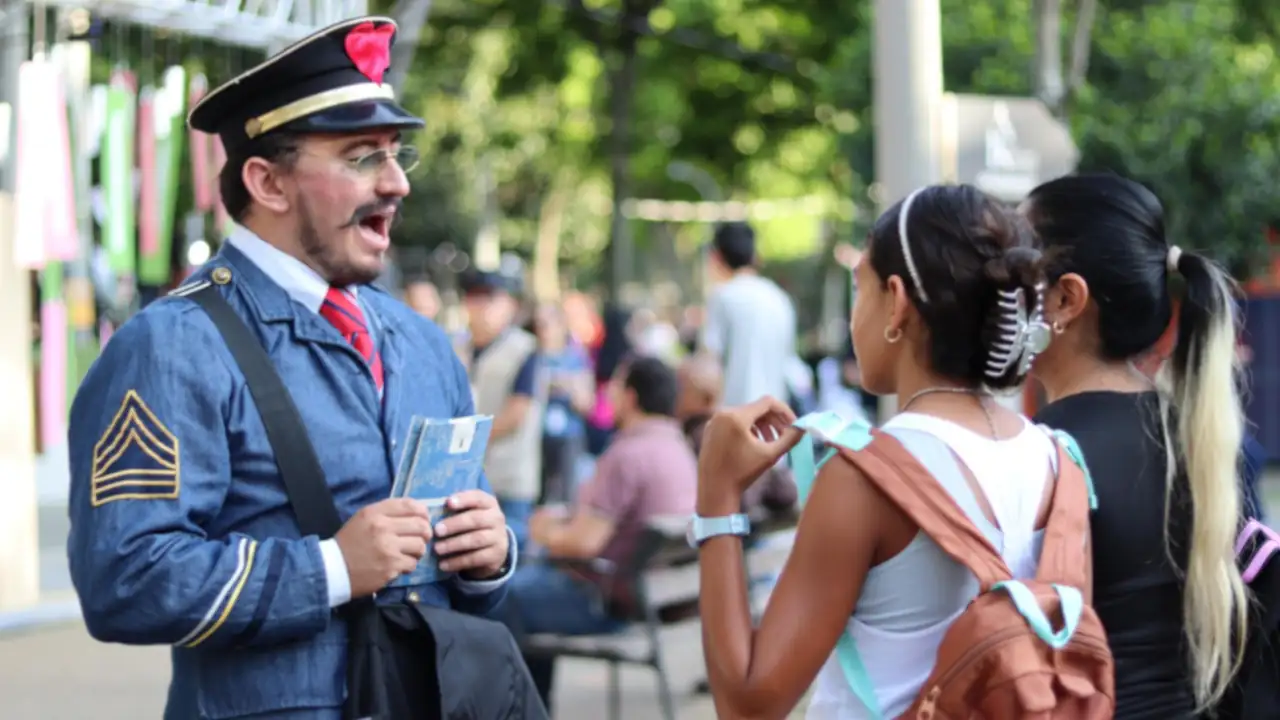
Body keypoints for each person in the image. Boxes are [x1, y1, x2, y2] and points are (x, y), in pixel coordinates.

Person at [65, 17, 515, 719]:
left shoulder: (423, 342)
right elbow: (123, 579)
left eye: (396, 154)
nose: (397, 182)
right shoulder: (172, 345)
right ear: (268, 182)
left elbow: (457, 564)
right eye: (362, 157)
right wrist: (332, 568)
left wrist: (490, 554)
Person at [693, 185, 1064, 718]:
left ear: (896, 301)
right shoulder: (1055, 457)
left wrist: (717, 495)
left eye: (858, 287)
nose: (854, 314)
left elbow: (748, 704)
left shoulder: (865, 477)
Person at [1023, 173, 1250, 718]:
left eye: (1013, 265)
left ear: (1065, 298)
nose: (994, 286)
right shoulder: (1201, 435)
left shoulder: (1042, 451)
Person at [504, 356, 698, 710]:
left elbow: (584, 544)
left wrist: (544, 532)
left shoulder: (628, 454)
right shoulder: (677, 448)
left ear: (631, 397)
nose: (608, 394)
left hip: (607, 603)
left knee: (501, 596)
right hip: (652, 598)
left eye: (616, 386)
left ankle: (527, 710)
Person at [456, 267, 545, 549]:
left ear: (510, 304)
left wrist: (464, 441)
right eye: (475, 297)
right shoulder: (457, 346)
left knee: (509, 556)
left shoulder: (525, 348)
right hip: (464, 477)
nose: (481, 306)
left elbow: (517, 414)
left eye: (490, 298)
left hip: (509, 479)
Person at [700, 221, 798, 406]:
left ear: (716, 256)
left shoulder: (723, 297)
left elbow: (709, 366)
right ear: (754, 256)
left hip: (736, 413)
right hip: (775, 413)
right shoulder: (779, 298)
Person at [531, 301, 594, 504]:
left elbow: (586, 402)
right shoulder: (531, 357)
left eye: (547, 324)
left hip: (568, 436)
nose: (543, 331)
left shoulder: (576, 358)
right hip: (537, 437)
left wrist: (566, 385)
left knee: (568, 496)